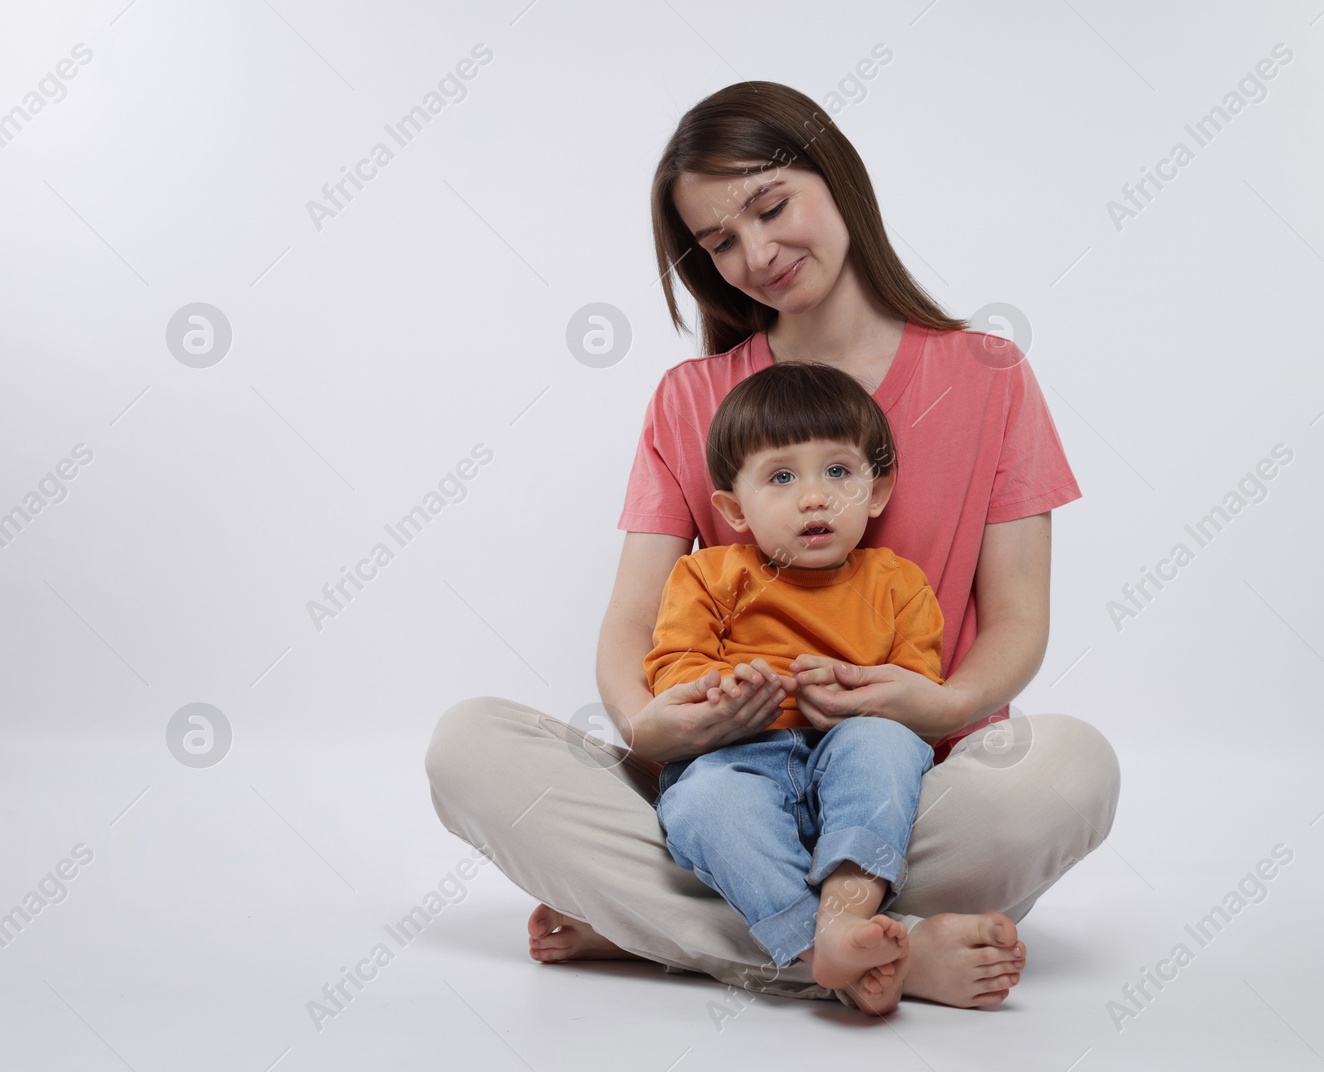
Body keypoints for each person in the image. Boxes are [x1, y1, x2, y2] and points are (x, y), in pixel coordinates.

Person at [425, 80, 1121, 1010]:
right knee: (468, 745)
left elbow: (1019, 619)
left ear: (835, 175)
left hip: (911, 793)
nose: (756, 254)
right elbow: (632, 624)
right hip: (729, 783)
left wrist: (939, 702)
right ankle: (885, 952)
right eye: (718, 241)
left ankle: (669, 930)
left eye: (770, 205)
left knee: (1072, 768)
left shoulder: (989, 377)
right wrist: (649, 724)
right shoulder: (688, 397)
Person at [646, 360, 944, 1015]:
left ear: (877, 492)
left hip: (850, 759)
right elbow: (673, 672)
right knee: (703, 805)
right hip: (737, 759)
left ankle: (846, 911)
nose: (816, 497)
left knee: (884, 747)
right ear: (734, 509)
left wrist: (861, 692)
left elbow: (918, 693)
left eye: (839, 472)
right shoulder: (707, 575)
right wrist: (727, 691)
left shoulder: (899, 583)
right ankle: (822, 951)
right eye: (781, 477)